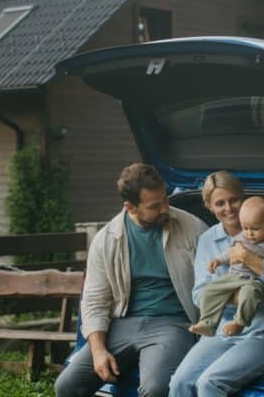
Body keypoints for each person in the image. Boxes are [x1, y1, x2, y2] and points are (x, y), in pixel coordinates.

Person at [55, 163, 208, 397]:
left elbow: (213, 284)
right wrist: (98, 351)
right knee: (66, 386)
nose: (165, 208)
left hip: (173, 324)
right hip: (122, 324)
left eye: (165, 200)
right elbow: (94, 300)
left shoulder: (193, 228)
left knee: (156, 389)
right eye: (154, 206)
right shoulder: (106, 240)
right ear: (130, 207)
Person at [169, 171, 264, 397]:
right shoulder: (208, 240)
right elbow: (199, 293)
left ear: (243, 198)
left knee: (210, 383)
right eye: (220, 203)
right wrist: (235, 298)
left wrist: (249, 259)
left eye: (233, 200)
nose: (228, 208)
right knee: (179, 383)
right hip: (222, 332)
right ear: (209, 207)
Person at [190, 197, 264, 337]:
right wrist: (218, 260)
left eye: (255, 229)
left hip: (253, 280)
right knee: (210, 290)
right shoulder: (241, 237)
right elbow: (230, 253)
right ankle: (208, 323)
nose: (249, 233)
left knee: (249, 295)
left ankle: (240, 322)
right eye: (245, 228)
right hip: (233, 277)